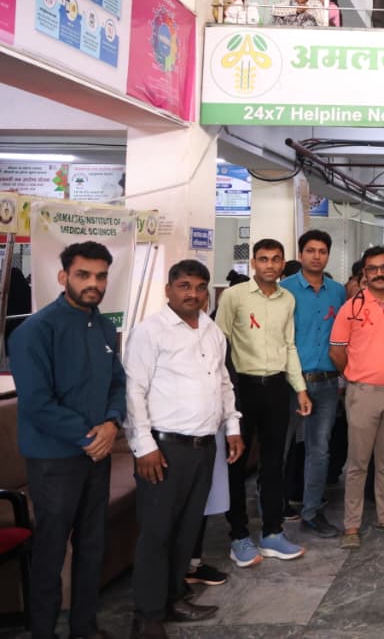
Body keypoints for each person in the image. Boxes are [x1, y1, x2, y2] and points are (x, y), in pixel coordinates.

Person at [9, 241, 123, 639]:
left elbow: (117, 383)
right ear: (63, 277)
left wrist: (112, 423)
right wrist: (87, 436)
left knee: (92, 544)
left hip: (97, 454)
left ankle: (84, 628)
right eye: (83, 275)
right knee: (52, 549)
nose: (94, 283)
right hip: (54, 460)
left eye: (101, 276)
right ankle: (43, 632)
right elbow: (37, 402)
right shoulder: (33, 331)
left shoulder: (104, 326)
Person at [124, 260, 244, 636]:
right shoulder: (150, 332)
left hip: (203, 446)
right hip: (164, 450)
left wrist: (232, 427)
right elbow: (134, 391)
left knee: (187, 529)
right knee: (157, 533)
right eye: (184, 286)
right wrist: (143, 447)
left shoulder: (211, 330)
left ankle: (174, 598)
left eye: (200, 287)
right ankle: (147, 615)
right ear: (169, 290)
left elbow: (223, 382)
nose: (193, 294)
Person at [216, 238, 311, 567]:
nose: (270, 264)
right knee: (236, 462)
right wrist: (223, 392)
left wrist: (300, 388)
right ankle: (238, 536)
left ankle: (272, 533)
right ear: (253, 263)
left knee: (273, 463)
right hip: (241, 387)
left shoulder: (288, 299)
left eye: (275, 259)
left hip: (276, 388)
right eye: (263, 259)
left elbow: (289, 345)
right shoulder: (234, 296)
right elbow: (219, 345)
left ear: (283, 263)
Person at [329, 246, 384, 548]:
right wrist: (355, 375)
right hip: (363, 393)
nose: (379, 273)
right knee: (358, 464)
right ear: (364, 274)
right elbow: (336, 351)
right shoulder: (350, 308)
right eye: (373, 268)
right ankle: (351, 526)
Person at [279, 230, 347, 539]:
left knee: (319, 451)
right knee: (281, 450)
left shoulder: (338, 292)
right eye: (310, 250)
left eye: (322, 251)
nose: (316, 256)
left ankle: (311, 512)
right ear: (301, 254)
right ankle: (273, 511)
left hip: (327, 383)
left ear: (328, 255)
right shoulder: (284, 290)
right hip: (289, 383)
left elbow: (342, 337)